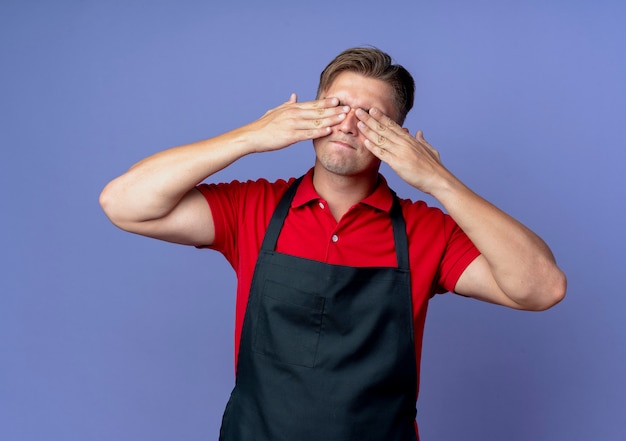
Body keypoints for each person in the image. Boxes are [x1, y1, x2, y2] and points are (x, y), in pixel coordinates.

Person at [99, 47, 566, 441]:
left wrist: (439, 181)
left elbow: (541, 288)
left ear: (395, 137)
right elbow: (124, 202)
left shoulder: (426, 231)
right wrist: (251, 137)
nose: (347, 124)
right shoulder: (253, 208)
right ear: (309, 111)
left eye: (370, 116)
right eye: (336, 105)